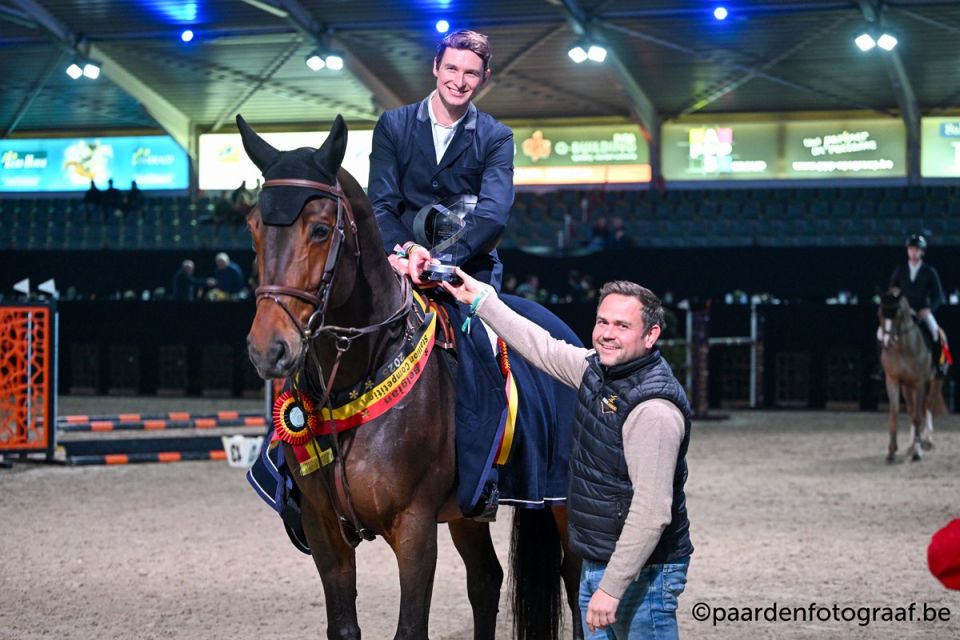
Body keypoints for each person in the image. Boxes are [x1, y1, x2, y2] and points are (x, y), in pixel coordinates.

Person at [443, 268, 693, 639]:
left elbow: (652, 512)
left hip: (643, 572)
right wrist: (481, 300)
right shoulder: (597, 371)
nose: (607, 334)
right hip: (600, 562)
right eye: (602, 322)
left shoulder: (653, 409)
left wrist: (611, 588)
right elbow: (542, 347)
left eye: (622, 326)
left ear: (651, 334)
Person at [368, 29, 514, 520]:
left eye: (471, 73)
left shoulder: (495, 136)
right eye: (452, 69)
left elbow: (492, 215)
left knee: (487, 354)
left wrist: (442, 262)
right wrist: (408, 249)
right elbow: (382, 204)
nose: (460, 80)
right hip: (399, 263)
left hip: (466, 271)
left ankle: (483, 476)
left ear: (484, 78)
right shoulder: (393, 125)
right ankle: (292, 476)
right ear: (436, 67)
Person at [888, 234, 950, 374]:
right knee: (882, 333)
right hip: (904, 311)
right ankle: (881, 367)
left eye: (917, 249)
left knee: (936, 333)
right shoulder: (900, 270)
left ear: (922, 252)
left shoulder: (929, 271)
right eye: (911, 249)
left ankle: (941, 363)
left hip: (922, 310)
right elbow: (892, 291)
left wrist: (928, 310)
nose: (913, 252)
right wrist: (900, 306)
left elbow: (938, 296)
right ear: (907, 251)